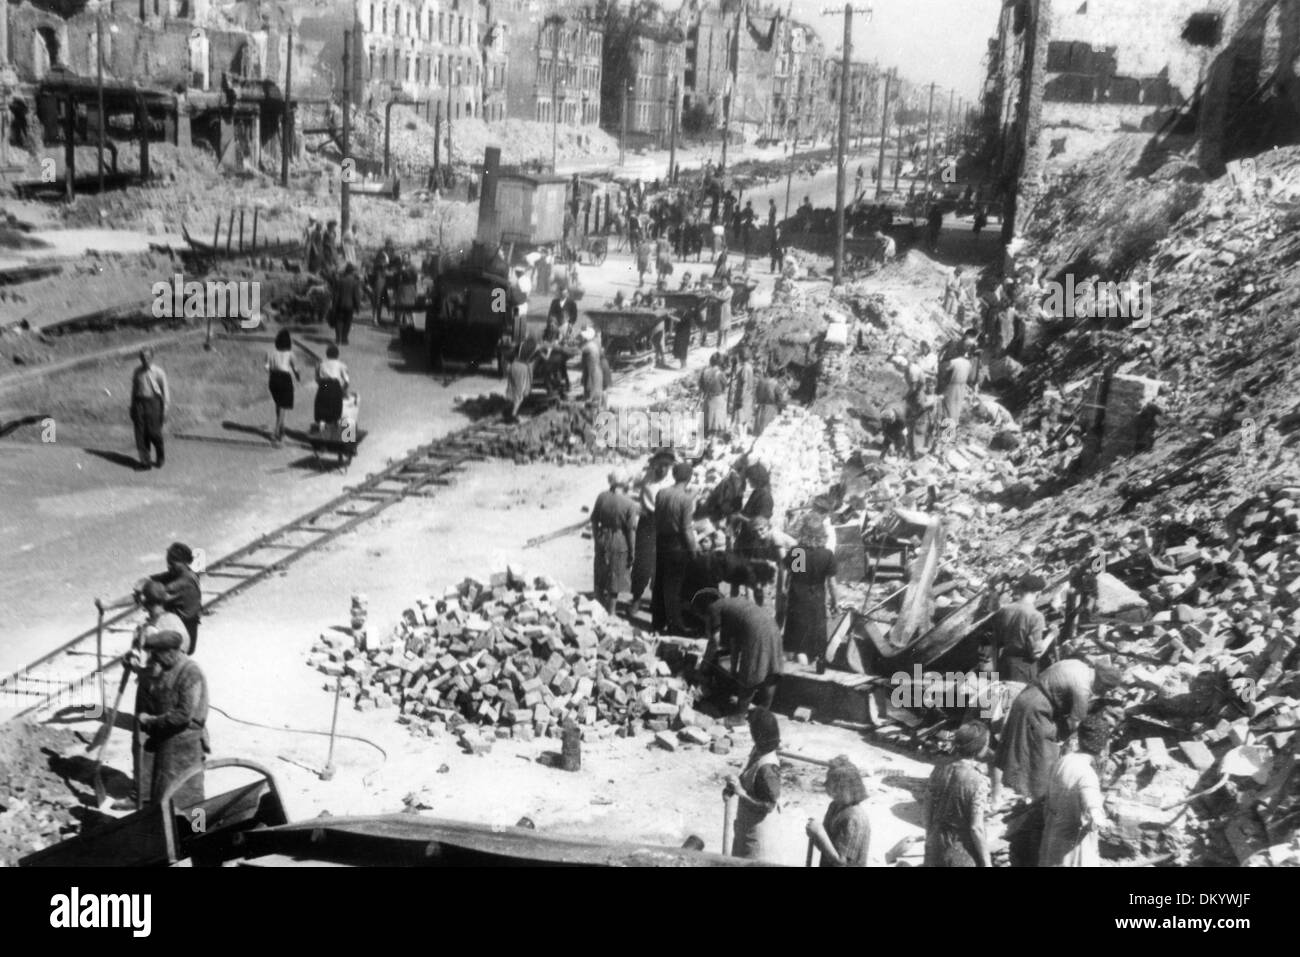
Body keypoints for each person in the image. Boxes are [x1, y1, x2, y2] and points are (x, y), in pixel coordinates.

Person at [994, 658, 1123, 865]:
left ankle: (1032, 802)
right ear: (1101, 683)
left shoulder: (1079, 666)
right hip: (1036, 709)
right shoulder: (1083, 688)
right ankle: (1036, 810)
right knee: (1042, 758)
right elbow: (1076, 723)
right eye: (1105, 689)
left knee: (1033, 755)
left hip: (1027, 698)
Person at [129, 621, 209, 809]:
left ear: (171, 652)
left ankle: (199, 831)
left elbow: (183, 715)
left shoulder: (191, 671)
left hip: (187, 746)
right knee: (164, 798)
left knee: (193, 799)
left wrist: (152, 721)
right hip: (168, 744)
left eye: (158, 656)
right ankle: (168, 834)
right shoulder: (167, 668)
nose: (155, 660)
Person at [1040, 715, 1111, 867]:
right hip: (1073, 845)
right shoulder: (1087, 774)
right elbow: (1094, 812)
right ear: (1103, 746)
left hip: (1052, 834)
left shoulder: (1064, 760)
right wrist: (1101, 821)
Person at [697, 589, 783, 712]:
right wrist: (732, 670)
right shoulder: (732, 605)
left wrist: (704, 666)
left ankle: (740, 715)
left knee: (750, 672)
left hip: (756, 630)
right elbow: (735, 644)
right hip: (772, 627)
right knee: (771, 670)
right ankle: (764, 710)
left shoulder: (713, 607)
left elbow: (714, 641)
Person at [924, 721, 993, 867]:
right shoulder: (978, 781)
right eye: (987, 742)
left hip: (936, 843)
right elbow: (976, 828)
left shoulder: (939, 769)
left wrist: (930, 837)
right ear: (979, 747)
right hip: (960, 851)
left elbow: (927, 809)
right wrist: (987, 862)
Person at [724, 707, 783, 862]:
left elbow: (768, 806)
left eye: (751, 729)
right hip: (744, 829)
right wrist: (734, 784)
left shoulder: (767, 769)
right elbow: (747, 776)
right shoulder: (758, 749)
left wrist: (740, 792)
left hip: (757, 839)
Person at [783, 513, 840, 663]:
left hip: (798, 597)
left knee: (797, 642)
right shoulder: (827, 554)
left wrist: (784, 592)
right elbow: (832, 583)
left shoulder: (799, 552)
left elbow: (793, 575)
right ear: (822, 534)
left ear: (803, 532)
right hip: (817, 598)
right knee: (814, 640)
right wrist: (835, 602)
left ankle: (798, 665)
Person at [651, 462, 699, 635]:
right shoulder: (685, 500)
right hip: (677, 545)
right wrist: (693, 552)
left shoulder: (661, 493)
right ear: (689, 478)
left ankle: (657, 622)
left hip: (661, 540)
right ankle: (674, 626)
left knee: (659, 583)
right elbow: (686, 529)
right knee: (673, 586)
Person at [628, 449, 676, 620]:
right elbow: (626, 486)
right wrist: (635, 506)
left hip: (665, 523)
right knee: (642, 562)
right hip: (647, 522)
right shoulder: (645, 476)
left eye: (666, 465)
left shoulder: (673, 480)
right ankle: (636, 598)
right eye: (659, 465)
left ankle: (655, 602)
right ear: (653, 464)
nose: (662, 469)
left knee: (661, 564)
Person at [806, 756, 871, 867]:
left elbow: (841, 862)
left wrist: (819, 833)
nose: (827, 786)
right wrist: (815, 835)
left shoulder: (853, 819)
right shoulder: (834, 806)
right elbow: (825, 847)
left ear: (846, 788)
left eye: (833, 784)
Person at [591, 469, 639, 615]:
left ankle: (597, 609)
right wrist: (632, 551)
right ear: (624, 483)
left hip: (602, 537)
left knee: (600, 573)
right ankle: (610, 612)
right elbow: (631, 530)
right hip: (620, 540)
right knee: (615, 577)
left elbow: (594, 520)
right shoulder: (629, 503)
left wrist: (596, 538)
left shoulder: (602, 497)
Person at [991, 574, 1049, 683]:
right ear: (1038, 593)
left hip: (1003, 663)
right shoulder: (1036, 616)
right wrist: (1052, 635)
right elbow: (1036, 653)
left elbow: (997, 641)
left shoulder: (1004, 610)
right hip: (1023, 669)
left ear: (1021, 589)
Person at [130, 347, 170, 470]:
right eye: (142, 357)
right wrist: (132, 406)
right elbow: (134, 389)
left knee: (154, 433)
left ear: (152, 358)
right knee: (140, 434)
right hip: (139, 403)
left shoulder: (159, 372)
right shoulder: (137, 371)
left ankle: (160, 457)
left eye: (147, 357)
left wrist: (165, 409)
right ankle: (145, 462)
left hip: (153, 403)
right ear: (140, 358)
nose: (145, 360)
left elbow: (165, 392)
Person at [265, 329, 301, 446]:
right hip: (285, 378)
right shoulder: (290, 354)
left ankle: (282, 430)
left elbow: (267, 368)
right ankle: (276, 431)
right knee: (284, 406)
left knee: (279, 404)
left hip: (273, 379)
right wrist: (298, 376)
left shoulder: (270, 352)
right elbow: (296, 369)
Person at [314, 344, 350, 430]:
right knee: (336, 406)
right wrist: (344, 391)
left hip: (324, 385)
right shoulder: (342, 365)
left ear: (327, 354)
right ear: (337, 355)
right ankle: (335, 426)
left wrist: (323, 385)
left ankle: (322, 426)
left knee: (322, 405)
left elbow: (317, 379)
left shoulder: (321, 364)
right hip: (335, 385)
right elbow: (346, 381)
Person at [332, 262, 363, 346]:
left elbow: (336, 295)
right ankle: (344, 339)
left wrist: (334, 306)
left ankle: (338, 339)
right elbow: (356, 296)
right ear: (352, 272)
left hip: (340, 305)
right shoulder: (355, 282)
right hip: (350, 305)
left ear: (346, 271)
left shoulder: (340, 281)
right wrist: (357, 307)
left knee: (338, 321)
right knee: (347, 322)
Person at [505, 339, 536, 422]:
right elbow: (530, 368)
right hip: (522, 368)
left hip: (513, 366)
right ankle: (513, 415)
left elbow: (509, 356)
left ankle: (509, 409)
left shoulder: (520, 347)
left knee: (512, 389)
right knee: (520, 396)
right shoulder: (532, 352)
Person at [699, 353, 728, 437]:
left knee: (706, 421)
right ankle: (713, 444)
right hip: (718, 399)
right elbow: (724, 385)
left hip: (708, 398)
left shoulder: (705, 372)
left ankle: (705, 441)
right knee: (716, 424)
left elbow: (701, 386)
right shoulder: (720, 374)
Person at [753, 367, 786, 437]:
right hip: (771, 408)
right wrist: (781, 406)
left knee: (758, 429)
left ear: (767, 372)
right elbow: (780, 398)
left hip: (760, 406)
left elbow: (756, 393)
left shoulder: (761, 381)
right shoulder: (775, 384)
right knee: (766, 431)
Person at [729, 347, 755, 435]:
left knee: (740, 417)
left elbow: (745, 383)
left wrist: (741, 397)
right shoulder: (749, 367)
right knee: (745, 417)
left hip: (743, 395)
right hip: (749, 395)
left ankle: (741, 437)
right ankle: (744, 435)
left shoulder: (745, 368)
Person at [580, 327, 604, 406]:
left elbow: (580, 351)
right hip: (594, 365)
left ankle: (589, 398)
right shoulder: (594, 344)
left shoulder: (587, 346)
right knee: (594, 380)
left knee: (589, 380)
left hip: (590, 365)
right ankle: (593, 397)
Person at [708, 276, 733, 349]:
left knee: (726, 327)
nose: (723, 282)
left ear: (728, 281)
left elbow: (724, 298)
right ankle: (718, 344)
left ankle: (725, 343)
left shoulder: (730, 290)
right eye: (722, 281)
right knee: (720, 327)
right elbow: (717, 295)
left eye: (725, 281)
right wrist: (713, 294)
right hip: (720, 309)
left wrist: (715, 295)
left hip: (726, 309)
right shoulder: (721, 290)